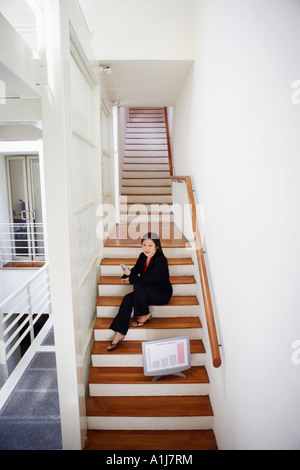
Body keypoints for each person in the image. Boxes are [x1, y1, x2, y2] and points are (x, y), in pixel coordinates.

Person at [107, 232, 173, 351]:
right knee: (127, 299)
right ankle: (120, 333)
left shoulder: (161, 260)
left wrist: (131, 279)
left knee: (139, 283)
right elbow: (135, 271)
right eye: (144, 245)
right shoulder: (142, 256)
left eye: (150, 245)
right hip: (145, 291)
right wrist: (126, 275)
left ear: (157, 246)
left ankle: (144, 314)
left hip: (161, 293)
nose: (146, 248)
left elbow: (147, 280)